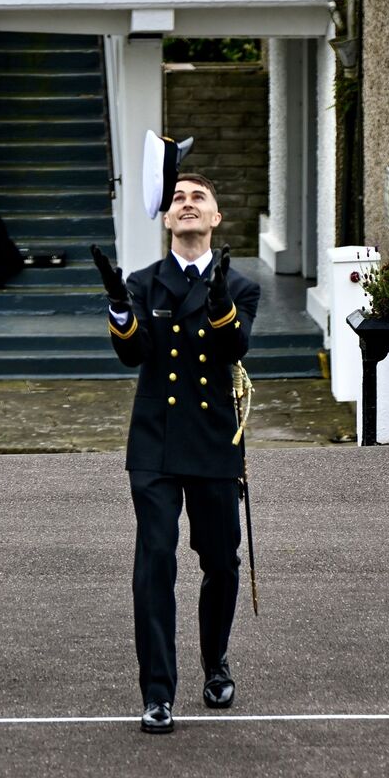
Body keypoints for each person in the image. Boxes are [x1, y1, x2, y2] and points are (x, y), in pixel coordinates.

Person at [92, 174, 260, 734]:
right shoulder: (143, 282)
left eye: (199, 199)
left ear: (215, 218)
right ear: (166, 220)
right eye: (177, 200)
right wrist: (120, 309)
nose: (186, 205)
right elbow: (132, 354)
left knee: (221, 561)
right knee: (154, 565)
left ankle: (215, 661)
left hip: (214, 440)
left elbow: (234, 347)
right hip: (156, 443)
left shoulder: (239, 285)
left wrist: (219, 306)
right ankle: (158, 692)